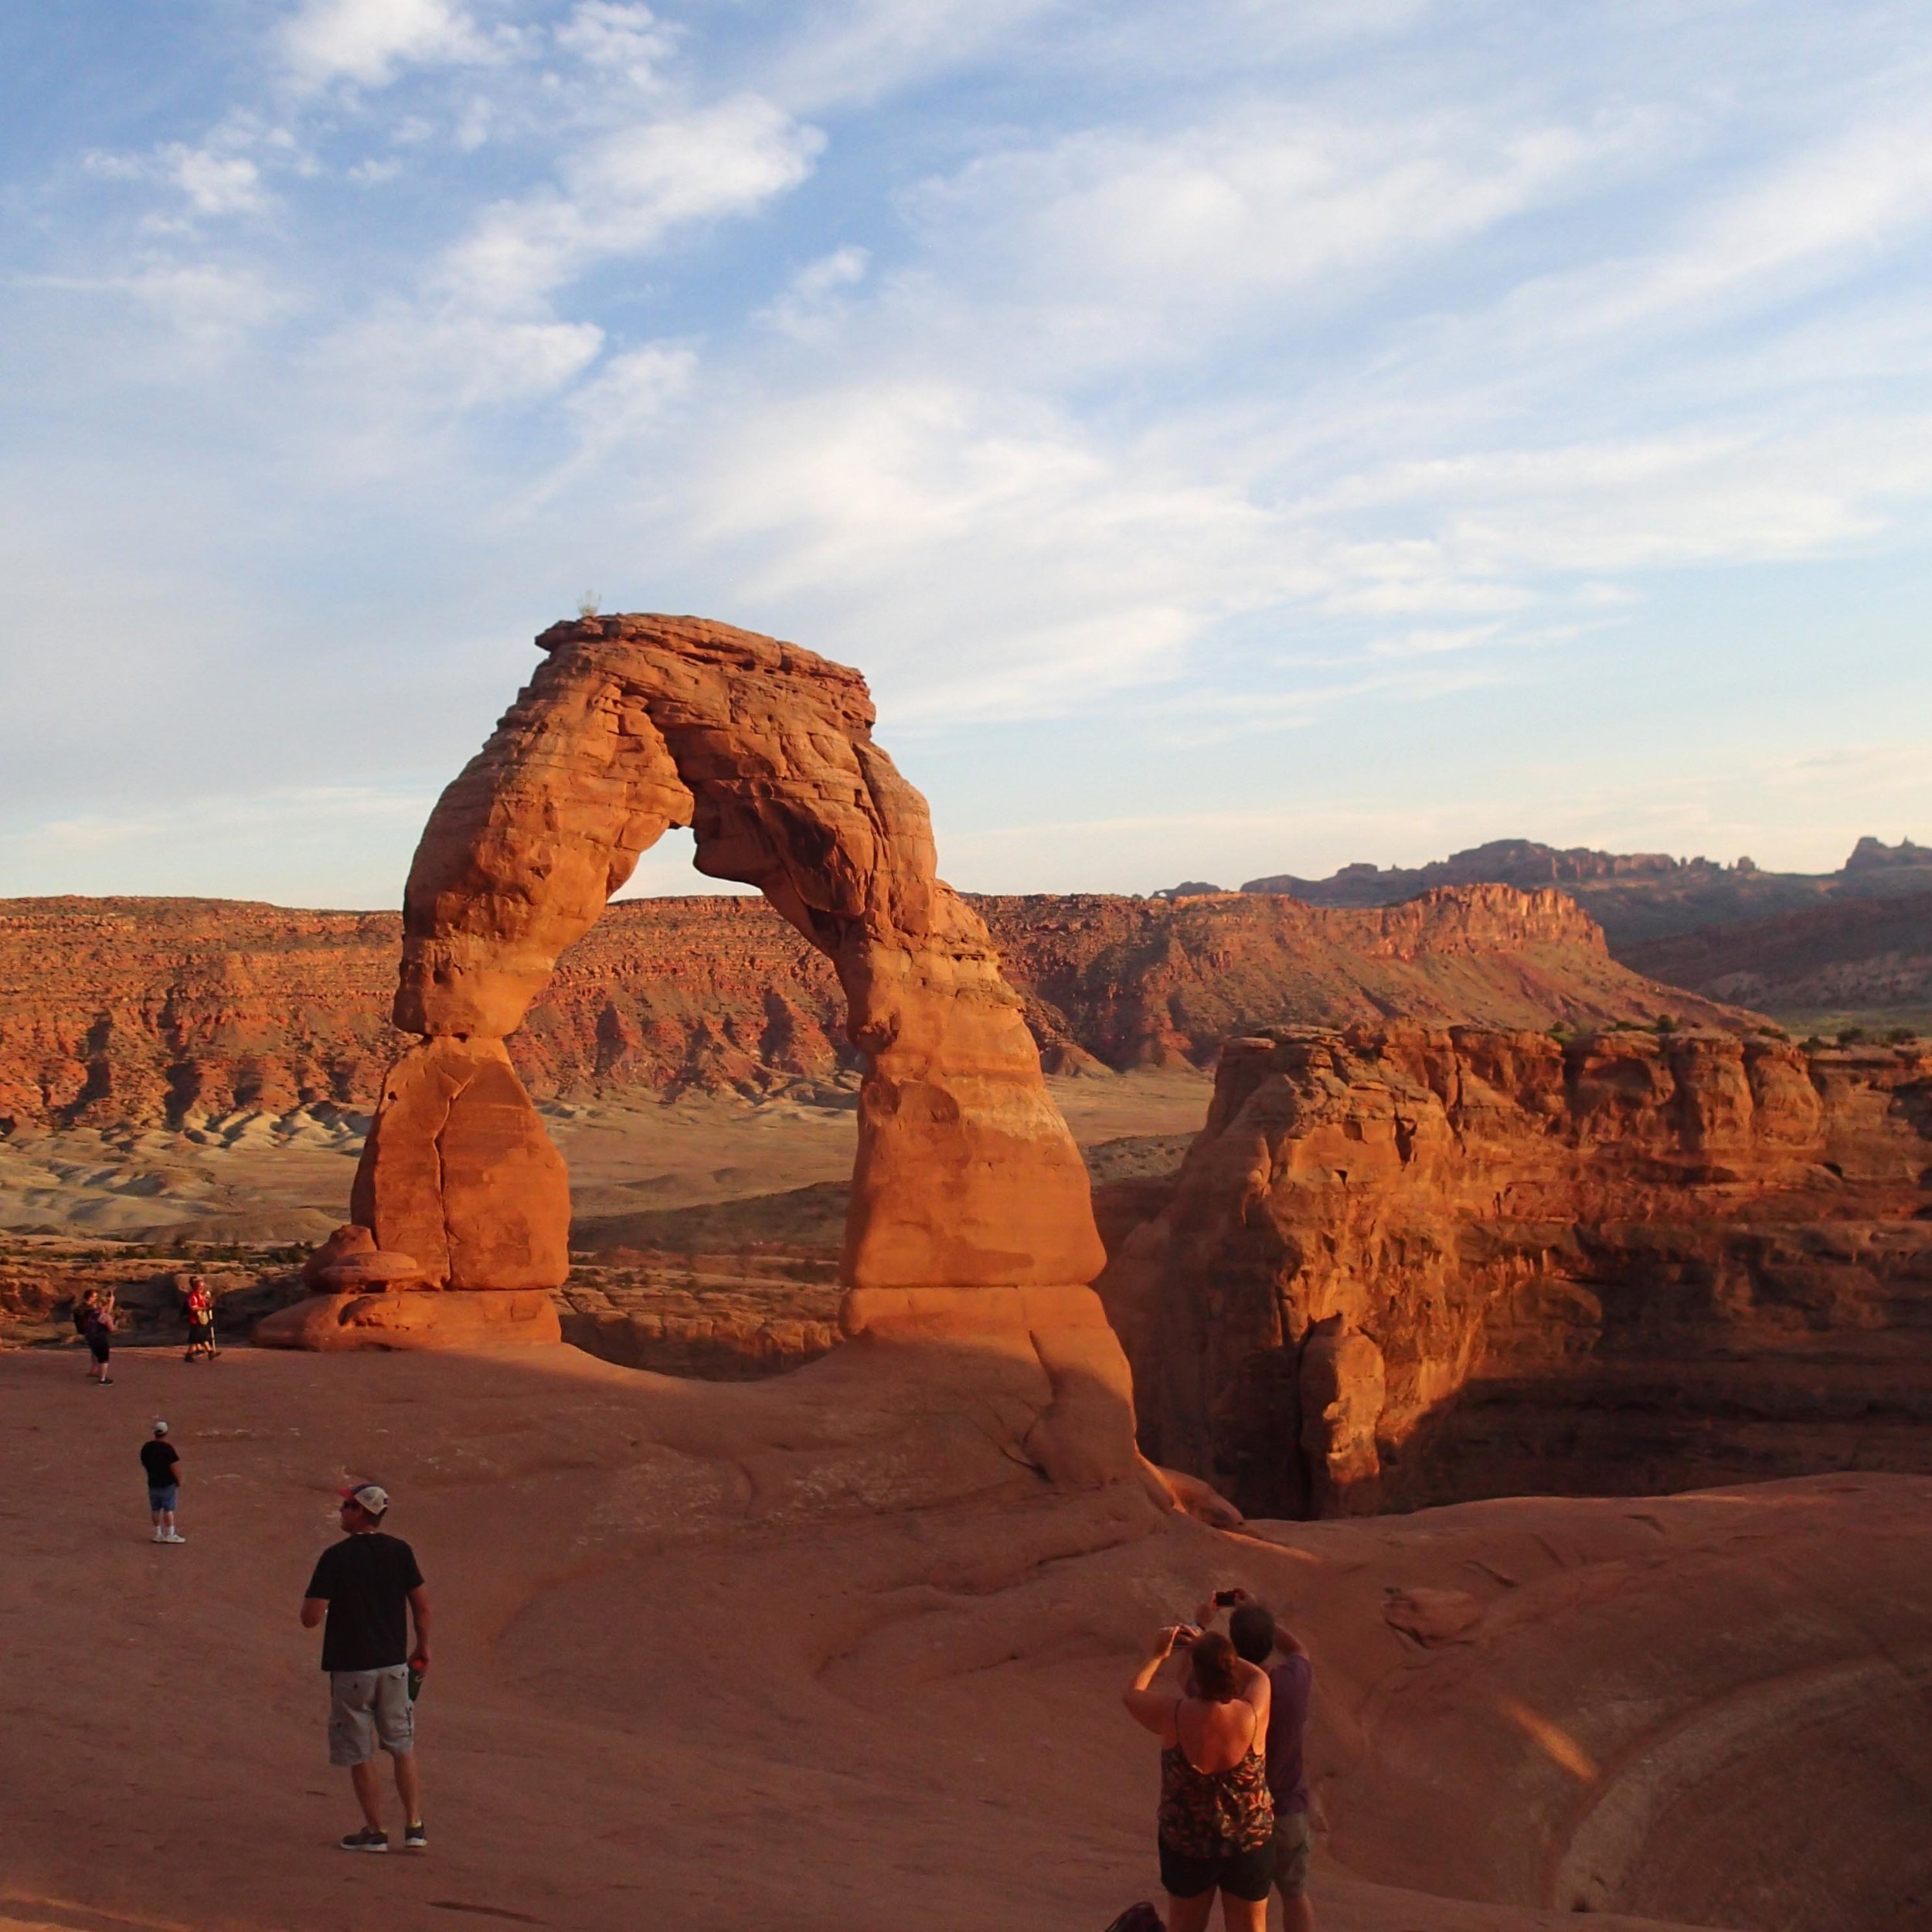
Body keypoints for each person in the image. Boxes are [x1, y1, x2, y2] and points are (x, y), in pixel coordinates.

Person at [301, 1482, 431, 1854]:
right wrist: (423, 1647)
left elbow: (310, 1617)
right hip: (393, 1666)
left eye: (346, 1506)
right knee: (401, 1746)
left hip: (352, 1667)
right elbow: (421, 1606)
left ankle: (375, 1831)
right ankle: (414, 1826)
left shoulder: (336, 1557)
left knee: (360, 1751)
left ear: (361, 1512)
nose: (341, 1511)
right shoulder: (400, 1552)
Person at [1124, 1623, 1274, 1932]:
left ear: (1195, 1673)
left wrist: (1158, 1655)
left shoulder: (1174, 1716)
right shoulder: (1254, 1713)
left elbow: (1132, 1694)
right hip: (1247, 1841)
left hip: (1188, 1844)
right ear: (1230, 1669)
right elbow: (1259, 1676)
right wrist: (1215, 1650)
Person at [141, 1421, 185, 1543]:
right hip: (167, 1483)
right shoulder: (168, 1449)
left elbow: (144, 1462)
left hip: (153, 1483)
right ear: (166, 1433)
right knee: (168, 1509)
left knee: (155, 1509)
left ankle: (158, 1533)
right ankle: (170, 1534)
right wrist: (178, 1480)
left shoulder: (147, 1447)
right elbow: (174, 1466)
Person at [183, 1276, 217, 1362]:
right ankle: (210, 1352)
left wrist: (209, 1302)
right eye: (199, 1287)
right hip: (195, 1320)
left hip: (201, 1320)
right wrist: (203, 1308)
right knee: (199, 1338)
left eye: (202, 1287)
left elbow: (208, 1303)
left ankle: (191, 1355)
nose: (201, 1288)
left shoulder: (201, 1295)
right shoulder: (193, 1296)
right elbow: (193, 1308)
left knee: (197, 1338)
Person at [85, 1294, 114, 1385]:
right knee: (104, 1359)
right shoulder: (105, 1317)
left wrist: (112, 1301)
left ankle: (97, 1372)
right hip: (101, 1339)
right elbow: (111, 1329)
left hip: (91, 1339)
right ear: (105, 1306)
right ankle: (103, 1379)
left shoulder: (92, 1314)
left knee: (97, 1356)